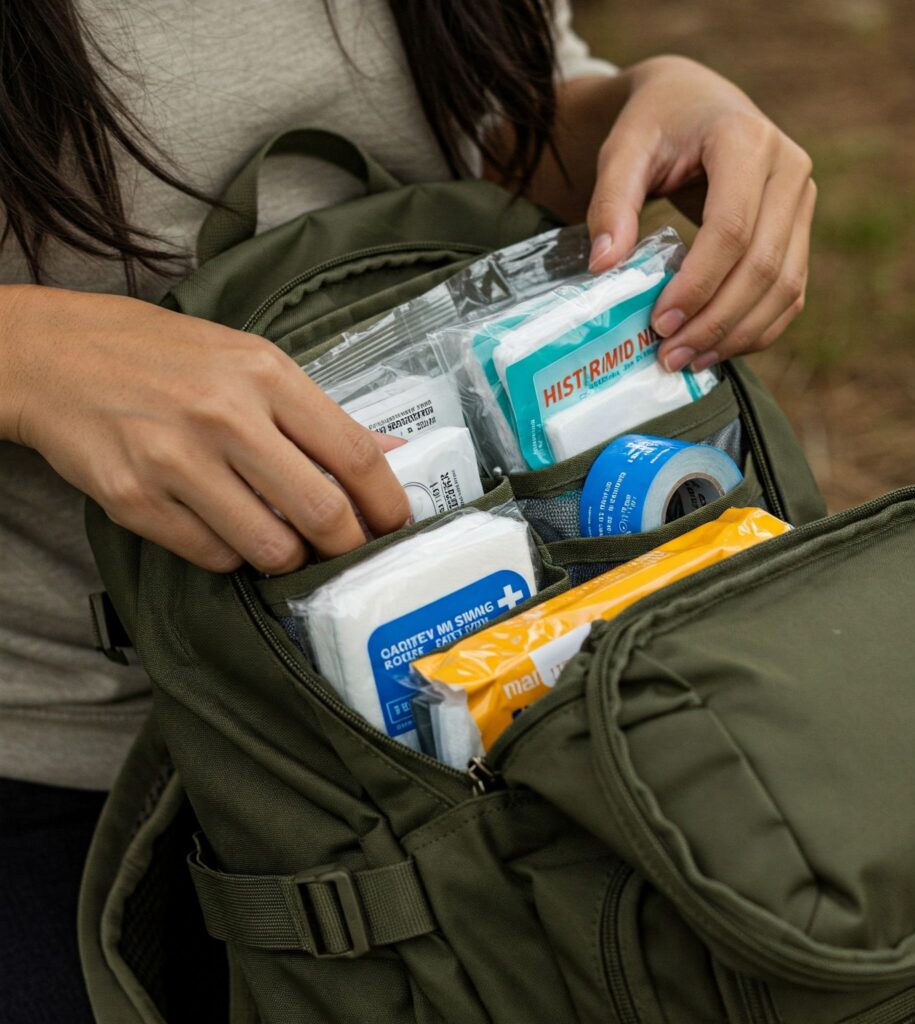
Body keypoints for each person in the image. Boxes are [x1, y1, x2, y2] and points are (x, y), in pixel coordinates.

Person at [0, 0, 815, 1019]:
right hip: (62, 775)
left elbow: (484, 127)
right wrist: (25, 354)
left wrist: (645, 105)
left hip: (536, 736)